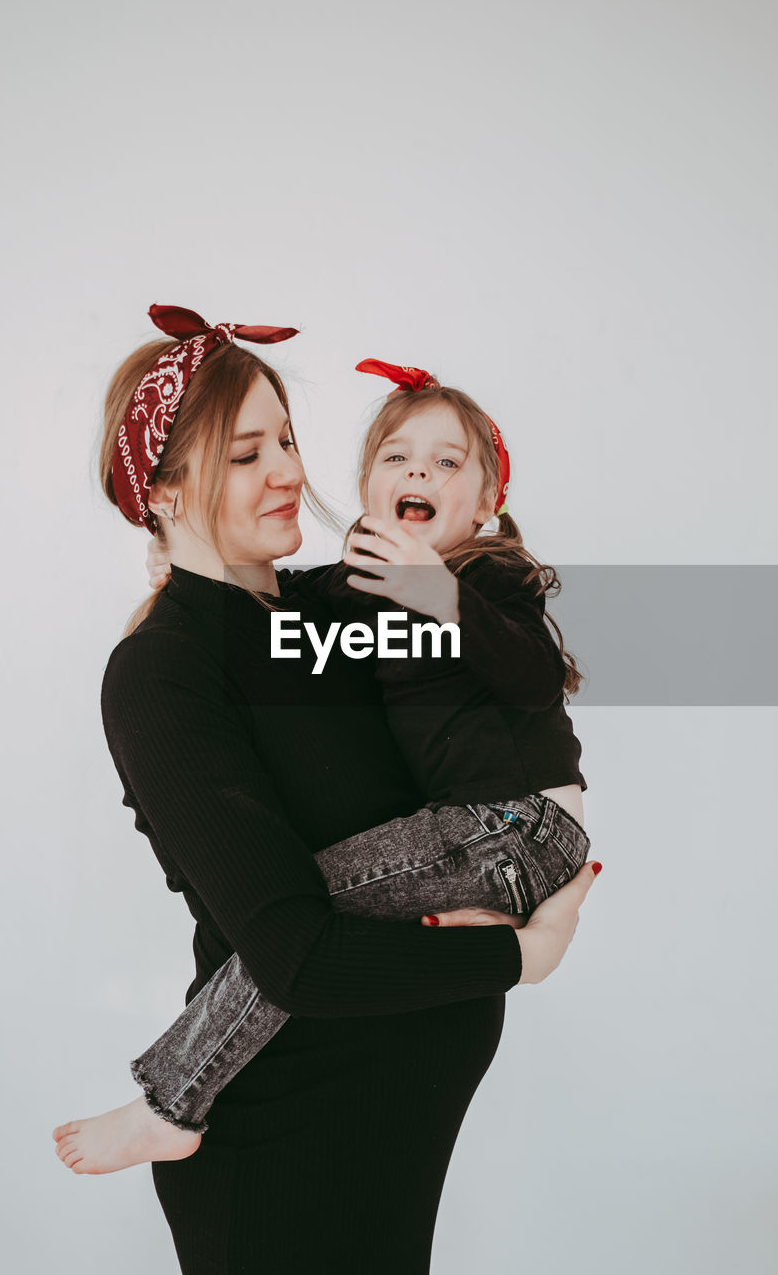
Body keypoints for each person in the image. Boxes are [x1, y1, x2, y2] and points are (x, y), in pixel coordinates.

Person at [54, 305, 601, 1275]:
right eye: (245, 452)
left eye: (291, 440)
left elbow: (507, 682)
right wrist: (524, 956)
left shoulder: (331, 611)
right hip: (287, 1150)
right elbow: (295, 954)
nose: (289, 474)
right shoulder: (164, 672)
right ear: (166, 487)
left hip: (395, 1131)